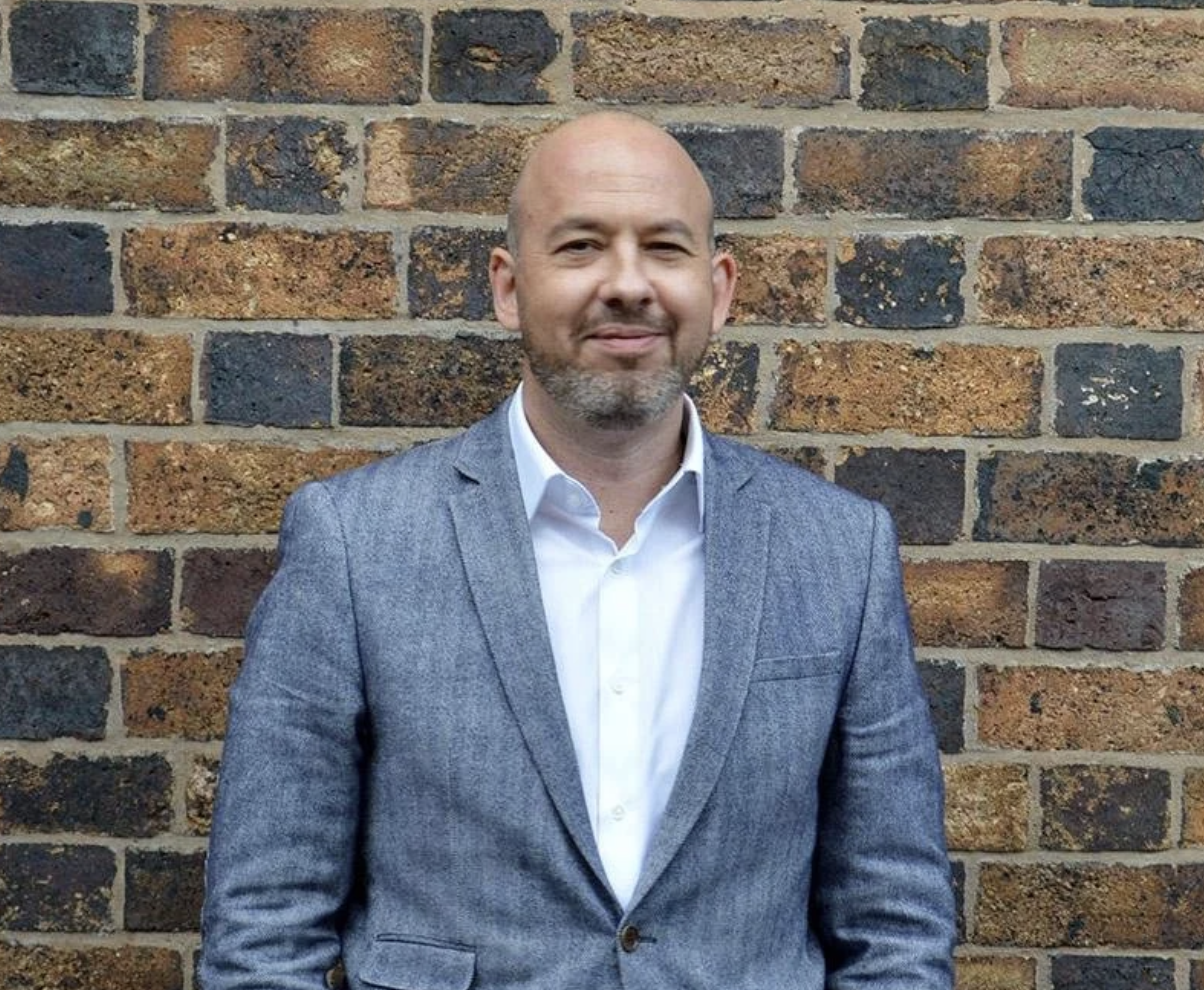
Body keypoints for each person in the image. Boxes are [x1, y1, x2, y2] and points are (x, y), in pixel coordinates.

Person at [200, 111, 955, 990]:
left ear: (719, 288)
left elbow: (896, 928)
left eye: (664, 248)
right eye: (582, 246)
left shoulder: (838, 550)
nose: (627, 284)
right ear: (509, 286)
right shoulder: (356, 541)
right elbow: (264, 932)